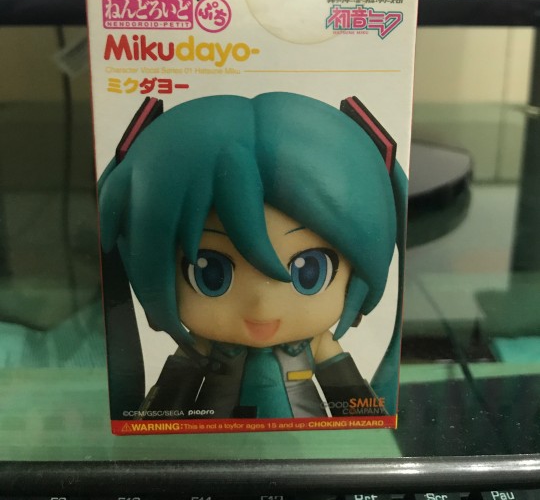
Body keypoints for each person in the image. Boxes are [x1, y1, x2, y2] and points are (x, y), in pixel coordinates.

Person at [98, 92, 407, 419]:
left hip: (304, 439)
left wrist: (366, 426)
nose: (263, 306)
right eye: (210, 273)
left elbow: (355, 405)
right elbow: (167, 405)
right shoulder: (203, 346)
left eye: (309, 272)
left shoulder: (315, 345)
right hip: (215, 438)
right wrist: (152, 425)